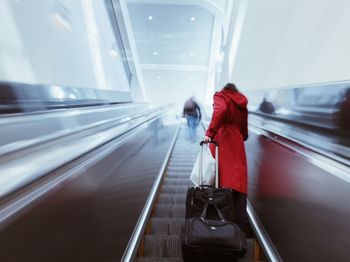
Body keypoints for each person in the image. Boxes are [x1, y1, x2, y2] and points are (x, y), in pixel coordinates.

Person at [203, 83, 249, 234]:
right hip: (237, 142)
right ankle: (238, 231)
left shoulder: (220, 96)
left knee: (220, 181)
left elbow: (221, 110)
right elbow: (244, 129)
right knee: (238, 185)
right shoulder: (242, 102)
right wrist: (240, 133)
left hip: (222, 140)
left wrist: (210, 132)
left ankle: (218, 228)